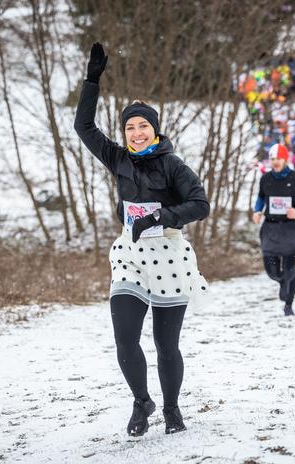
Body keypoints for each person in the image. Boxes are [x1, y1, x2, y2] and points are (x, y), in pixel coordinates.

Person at [75, 43, 210, 436]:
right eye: (130, 127)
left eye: (142, 126)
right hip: (130, 255)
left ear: (155, 129)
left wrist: (161, 216)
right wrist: (92, 81)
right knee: (125, 338)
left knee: (166, 345)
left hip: (169, 254)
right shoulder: (118, 159)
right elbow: (84, 128)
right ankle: (141, 402)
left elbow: (200, 204)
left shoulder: (172, 165)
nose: (135, 133)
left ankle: (171, 409)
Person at [253, 144, 295, 316]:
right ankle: (280, 281)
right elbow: (260, 198)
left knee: (289, 270)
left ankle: (288, 304)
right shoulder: (265, 179)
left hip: (290, 229)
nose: (275, 162)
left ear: (285, 159)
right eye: (273, 159)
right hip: (270, 228)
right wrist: (257, 211)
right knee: (272, 272)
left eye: (278, 159)